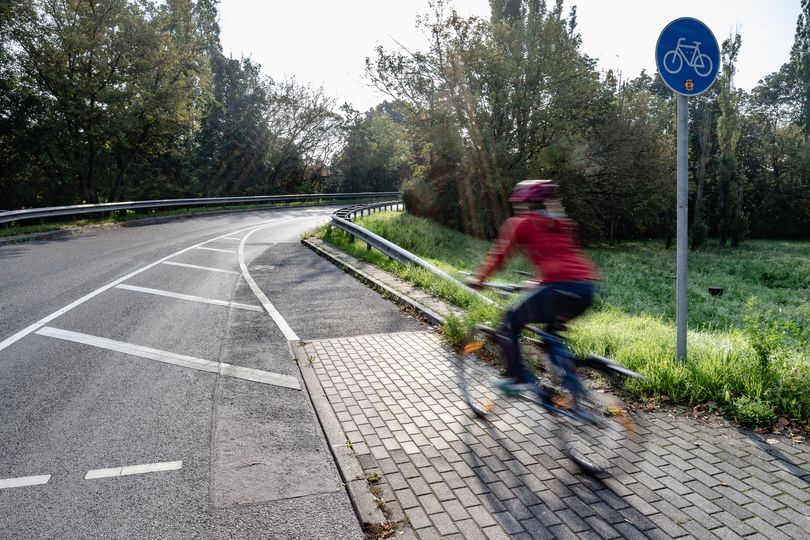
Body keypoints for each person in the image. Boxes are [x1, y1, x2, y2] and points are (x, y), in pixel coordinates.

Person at [466, 179, 600, 407]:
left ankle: (517, 378)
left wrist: (479, 279)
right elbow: (562, 261)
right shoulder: (561, 222)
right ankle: (574, 388)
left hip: (557, 290)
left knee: (510, 320)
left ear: (524, 202)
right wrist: (538, 282)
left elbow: (499, 257)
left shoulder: (522, 224)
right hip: (585, 289)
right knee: (551, 339)